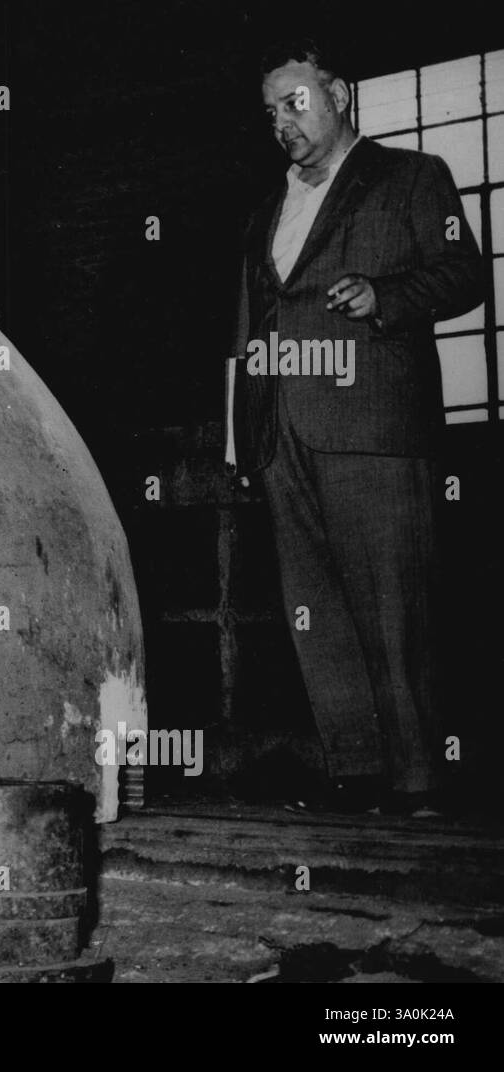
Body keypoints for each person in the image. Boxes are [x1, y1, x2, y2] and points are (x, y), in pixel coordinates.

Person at [225, 39, 485, 816]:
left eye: (294, 102)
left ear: (336, 94)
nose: (282, 122)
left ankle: (420, 780)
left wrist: (386, 294)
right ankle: (360, 771)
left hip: (371, 423)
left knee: (393, 605)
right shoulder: (266, 207)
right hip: (283, 434)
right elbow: (247, 327)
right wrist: (244, 440)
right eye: (271, 112)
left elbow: (465, 274)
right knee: (318, 614)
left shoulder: (409, 177)